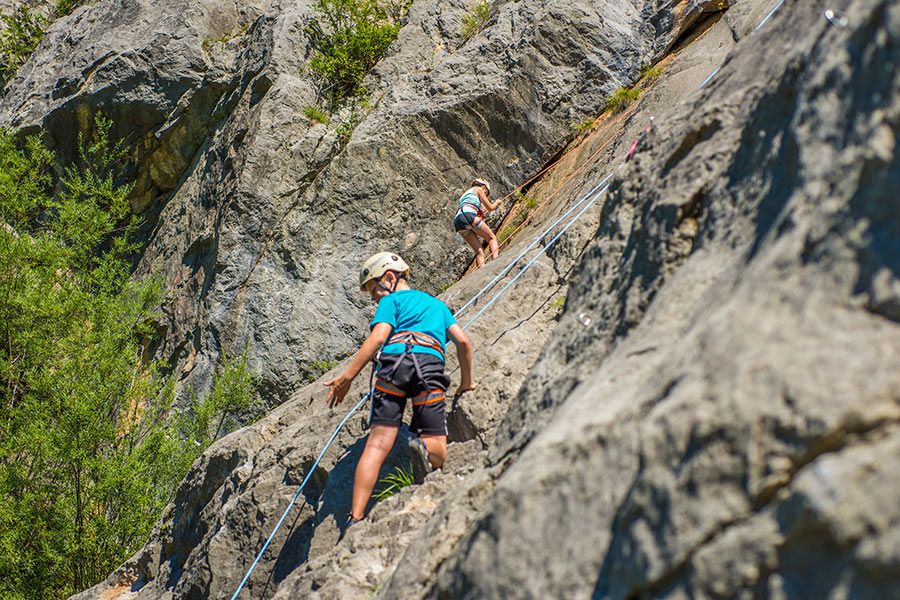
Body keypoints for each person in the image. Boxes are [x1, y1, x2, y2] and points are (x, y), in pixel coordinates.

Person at [324, 252, 475, 528]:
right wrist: (466, 384)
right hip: (429, 366)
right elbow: (463, 343)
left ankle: (354, 518)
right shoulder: (438, 306)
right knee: (438, 445)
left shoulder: (391, 301)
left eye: (374, 292)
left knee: (378, 443)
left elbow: (379, 337)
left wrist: (346, 377)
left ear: (390, 278)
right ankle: (426, 450)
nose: (374, 300)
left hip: (393, 366)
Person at [453, 178, 501, 268]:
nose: (485, 195)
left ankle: (481, 272)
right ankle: (496, 261)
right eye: (486, 193)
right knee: (491, 238)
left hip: (458, 221)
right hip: (469, 215)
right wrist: (497, 202)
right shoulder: (479, 189)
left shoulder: (464, 195)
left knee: (479, 251)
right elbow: (490, 207)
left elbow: (470, 206)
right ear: (483, 187)